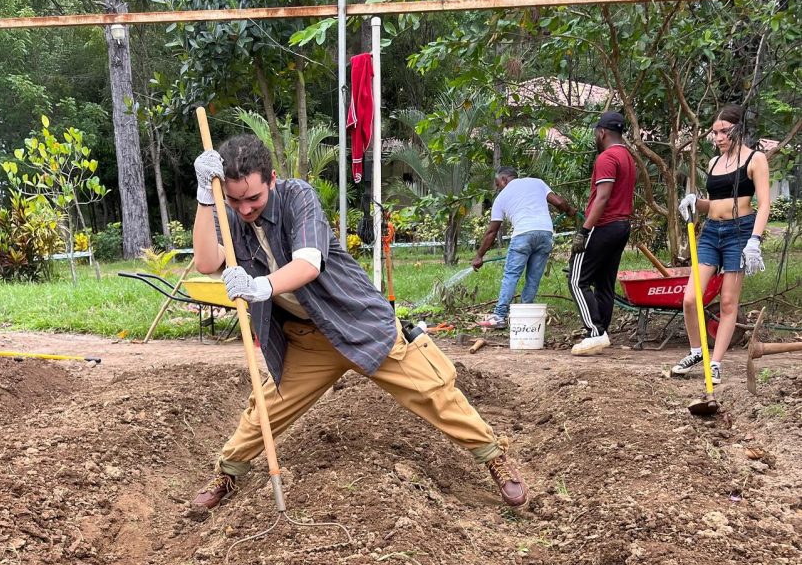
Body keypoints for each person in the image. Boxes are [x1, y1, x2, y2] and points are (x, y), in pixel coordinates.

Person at [187, 135, 529, 515]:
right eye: (235, 200)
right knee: (265, 410)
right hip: (307, 341)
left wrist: (260, 286)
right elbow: (205, 261)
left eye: (253, 198)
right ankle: (228, 471)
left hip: (359, 324)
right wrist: (206, 197)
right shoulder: (229, 212)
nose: (245, 208)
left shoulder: (297, 196)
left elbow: (308, 262)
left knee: (434, 391)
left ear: (271, 179)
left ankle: (493, 456)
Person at [671, 104, 770, 385]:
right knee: (690, 299)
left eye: (724, 132)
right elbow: (713, 204)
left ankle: (715, 363)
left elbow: (764, 205)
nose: (718, 138)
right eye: (714, 133)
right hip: (712, 232)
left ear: (738, 129)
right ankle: (696, 351)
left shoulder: (755, 159)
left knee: (728, 302)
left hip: (740, 233)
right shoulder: (715, 163)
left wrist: (755, 241)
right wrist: (694, 202)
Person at [472, 167, 578, 328]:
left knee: (511, 276)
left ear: (505, 180)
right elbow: (559, 202)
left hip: (522, 235)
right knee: (533, 278)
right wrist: (570, 210)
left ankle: (500, 316)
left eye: (497, 184)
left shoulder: (501, 198)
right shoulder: (537, 182)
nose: (497, 188)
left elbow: (491, 232)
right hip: (545, 234)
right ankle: (524, 316)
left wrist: (479, 255)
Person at [568, 110, 636, 355]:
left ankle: (594, 332)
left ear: (602, 132)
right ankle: (601, 332)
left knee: (577, 280)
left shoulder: (607, 158)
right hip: (621, 226)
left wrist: (584, 230)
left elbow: (603, 197)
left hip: (603, 224)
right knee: (604, 284)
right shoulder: (627, 157)